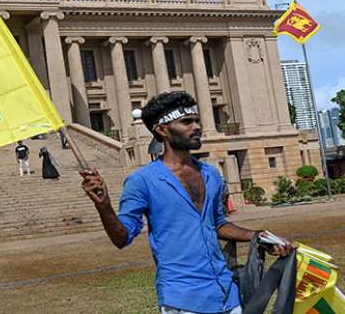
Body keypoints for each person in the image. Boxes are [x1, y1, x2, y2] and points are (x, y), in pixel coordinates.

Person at [79, 91, 294, 314]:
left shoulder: (212, 175)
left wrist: (259, 236)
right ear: (161, 130)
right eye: (186, 122)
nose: (197, 127)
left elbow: (217, 224)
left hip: (227, 295)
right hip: (182, 300)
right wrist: (103, 206)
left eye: (197, 120)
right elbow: (121, 238)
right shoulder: (142, 181)